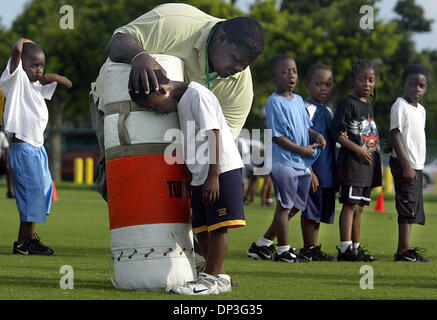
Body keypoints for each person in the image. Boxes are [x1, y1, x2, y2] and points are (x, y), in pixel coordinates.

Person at [90, 3, 265, 200]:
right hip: (118, 105)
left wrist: (205, 176)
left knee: (176, 196)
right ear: (222, 39)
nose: (239, 68)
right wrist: (139, 56)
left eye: (245, 65)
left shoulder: (240, 86)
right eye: (235, 59)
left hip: (185, 138)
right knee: (119, 187)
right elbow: (116, 42)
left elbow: (223, 139)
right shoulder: (175, 22)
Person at [130, 71, 245, 295]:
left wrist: (214, 175)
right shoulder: (183, 101)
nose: (158, 112)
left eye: (154, 106)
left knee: (219, 227)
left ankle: (209, 280)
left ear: (162, 91)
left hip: (220, 169)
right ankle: (220, 277)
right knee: (201, 228)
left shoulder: (197, 95)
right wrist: (191, 175)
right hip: (201, 174)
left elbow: (213, 133)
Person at [247, 54, 326, 263]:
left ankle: (263, 245)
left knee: (296, 207)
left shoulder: (299, 99)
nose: (291, 75)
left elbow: (305, 126)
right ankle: (283, 251)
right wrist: (302, 150)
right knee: (284, 206)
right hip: (283, 161)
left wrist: (316, 135)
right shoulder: (273, 102)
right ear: (273, 76)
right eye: (285, 71)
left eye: (294, 71)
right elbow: (277, 136)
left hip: (301, 162)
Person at [0, 38, 72, 255]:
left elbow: (44, 81)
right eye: (34, 65)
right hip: (23, 149)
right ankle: (23, 243)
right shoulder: (15, 79)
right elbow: (16, 52)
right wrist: (23, 41)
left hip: (37, 149)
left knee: (42, 192)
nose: (39, 70)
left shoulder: (34, 86)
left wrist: (57, 78)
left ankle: (28, 240)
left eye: (42, 65)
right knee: (32, 195)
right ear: (21, 64)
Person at [332, 60, 381, 262]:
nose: (367, 84)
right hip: (351, 166)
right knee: (350, 205)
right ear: (353, 80)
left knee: (360, 207)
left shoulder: (368, 105)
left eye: (371, 80)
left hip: (366, 169)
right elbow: (338, 133)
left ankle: (356, 247)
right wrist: (358, 150)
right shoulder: (347, 103)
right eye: (362, 79)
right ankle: (345, 249)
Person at [389, 64, 429, 262]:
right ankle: (402, 252)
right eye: (412, 84)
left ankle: (405, 248)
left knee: (412, 207)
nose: (417, 89)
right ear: (403, 84)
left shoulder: (421, 110)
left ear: (426, 88)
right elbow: (395, 133)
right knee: (406, 205)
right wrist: (405, 164)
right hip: (405, 164)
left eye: (421, 85)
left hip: (417, 165)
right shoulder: (400, 105)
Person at [298, 64, 336, 261]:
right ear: (307, 84)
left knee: (320, 212)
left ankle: (313, 247)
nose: (323, 88)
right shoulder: (305, 109)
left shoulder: (328, 111)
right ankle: (308, 248)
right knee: (309, 211)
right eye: (318, 83)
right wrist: (309, 170)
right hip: (314, 170)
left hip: (327, 171)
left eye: (328, 84)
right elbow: (303, 140)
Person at [0, 129, 14, 198]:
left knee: (9, 170)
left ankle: (9, 192)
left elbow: (6, 147)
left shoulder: (1, 135)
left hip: (0, 160)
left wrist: (7, 163)